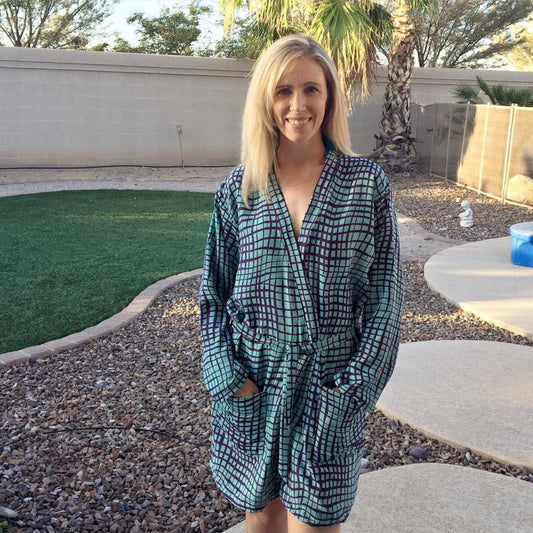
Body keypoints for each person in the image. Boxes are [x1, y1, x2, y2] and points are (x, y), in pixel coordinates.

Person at [199, 34, 403, 533]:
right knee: (262, 517)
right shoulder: (241, 188)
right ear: (266, 100)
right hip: (255, 379)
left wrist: (352, 389)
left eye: (311, 89)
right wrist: (230, 379)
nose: (298, 105)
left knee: (315, 522)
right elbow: (213, 293)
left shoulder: (365, 184)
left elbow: (386, 300)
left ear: (329, 96)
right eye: (283, 91)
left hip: (330, 380)